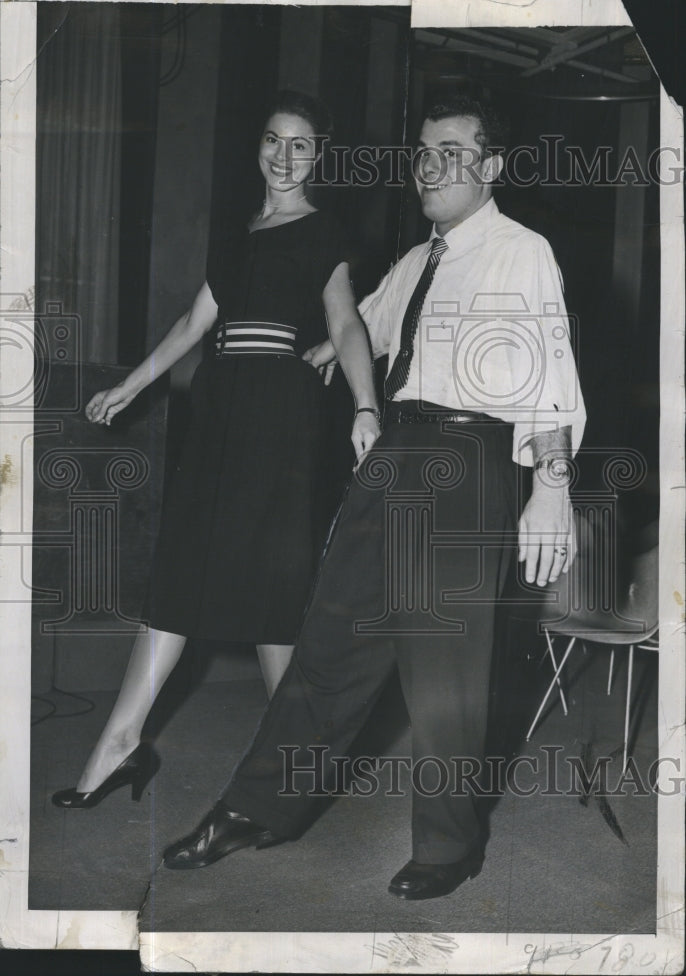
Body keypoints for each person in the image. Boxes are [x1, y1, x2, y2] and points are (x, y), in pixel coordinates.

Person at [161, 92, 587, 900]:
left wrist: (551, 489)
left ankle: (448, 845)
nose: (430, 167)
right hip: (396, 449)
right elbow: (373, 321)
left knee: (445, 672)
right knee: (330, 642)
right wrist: (323, 344)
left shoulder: (520, 251)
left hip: (470, 454)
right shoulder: (422, 257)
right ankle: (257, 808)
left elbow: (552, 376)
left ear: (490, 168)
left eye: (451, 154)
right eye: (423, 153)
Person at [51, 90, 381, 809]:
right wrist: (132, 387)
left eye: (300, 144)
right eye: (273, 140)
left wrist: (365, 406)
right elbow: (192, 325)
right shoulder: (237, 234)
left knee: (274, 579)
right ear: (258, 147)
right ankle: (121, 742)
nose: (284, 156)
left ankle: (292, 756)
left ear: (318, 155)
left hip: (281, 415)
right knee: (182, 565)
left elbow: (347, 324)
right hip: (221, 408)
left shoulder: (322, 232)